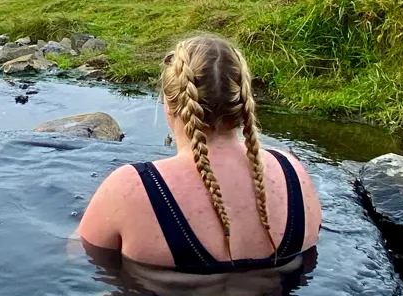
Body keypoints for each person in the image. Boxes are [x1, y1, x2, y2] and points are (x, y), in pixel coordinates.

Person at [79, 35, 322, 273]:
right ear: (244, 100)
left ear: (169, 103)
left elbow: (76, 257)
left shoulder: (131, 188)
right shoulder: (293, 172)